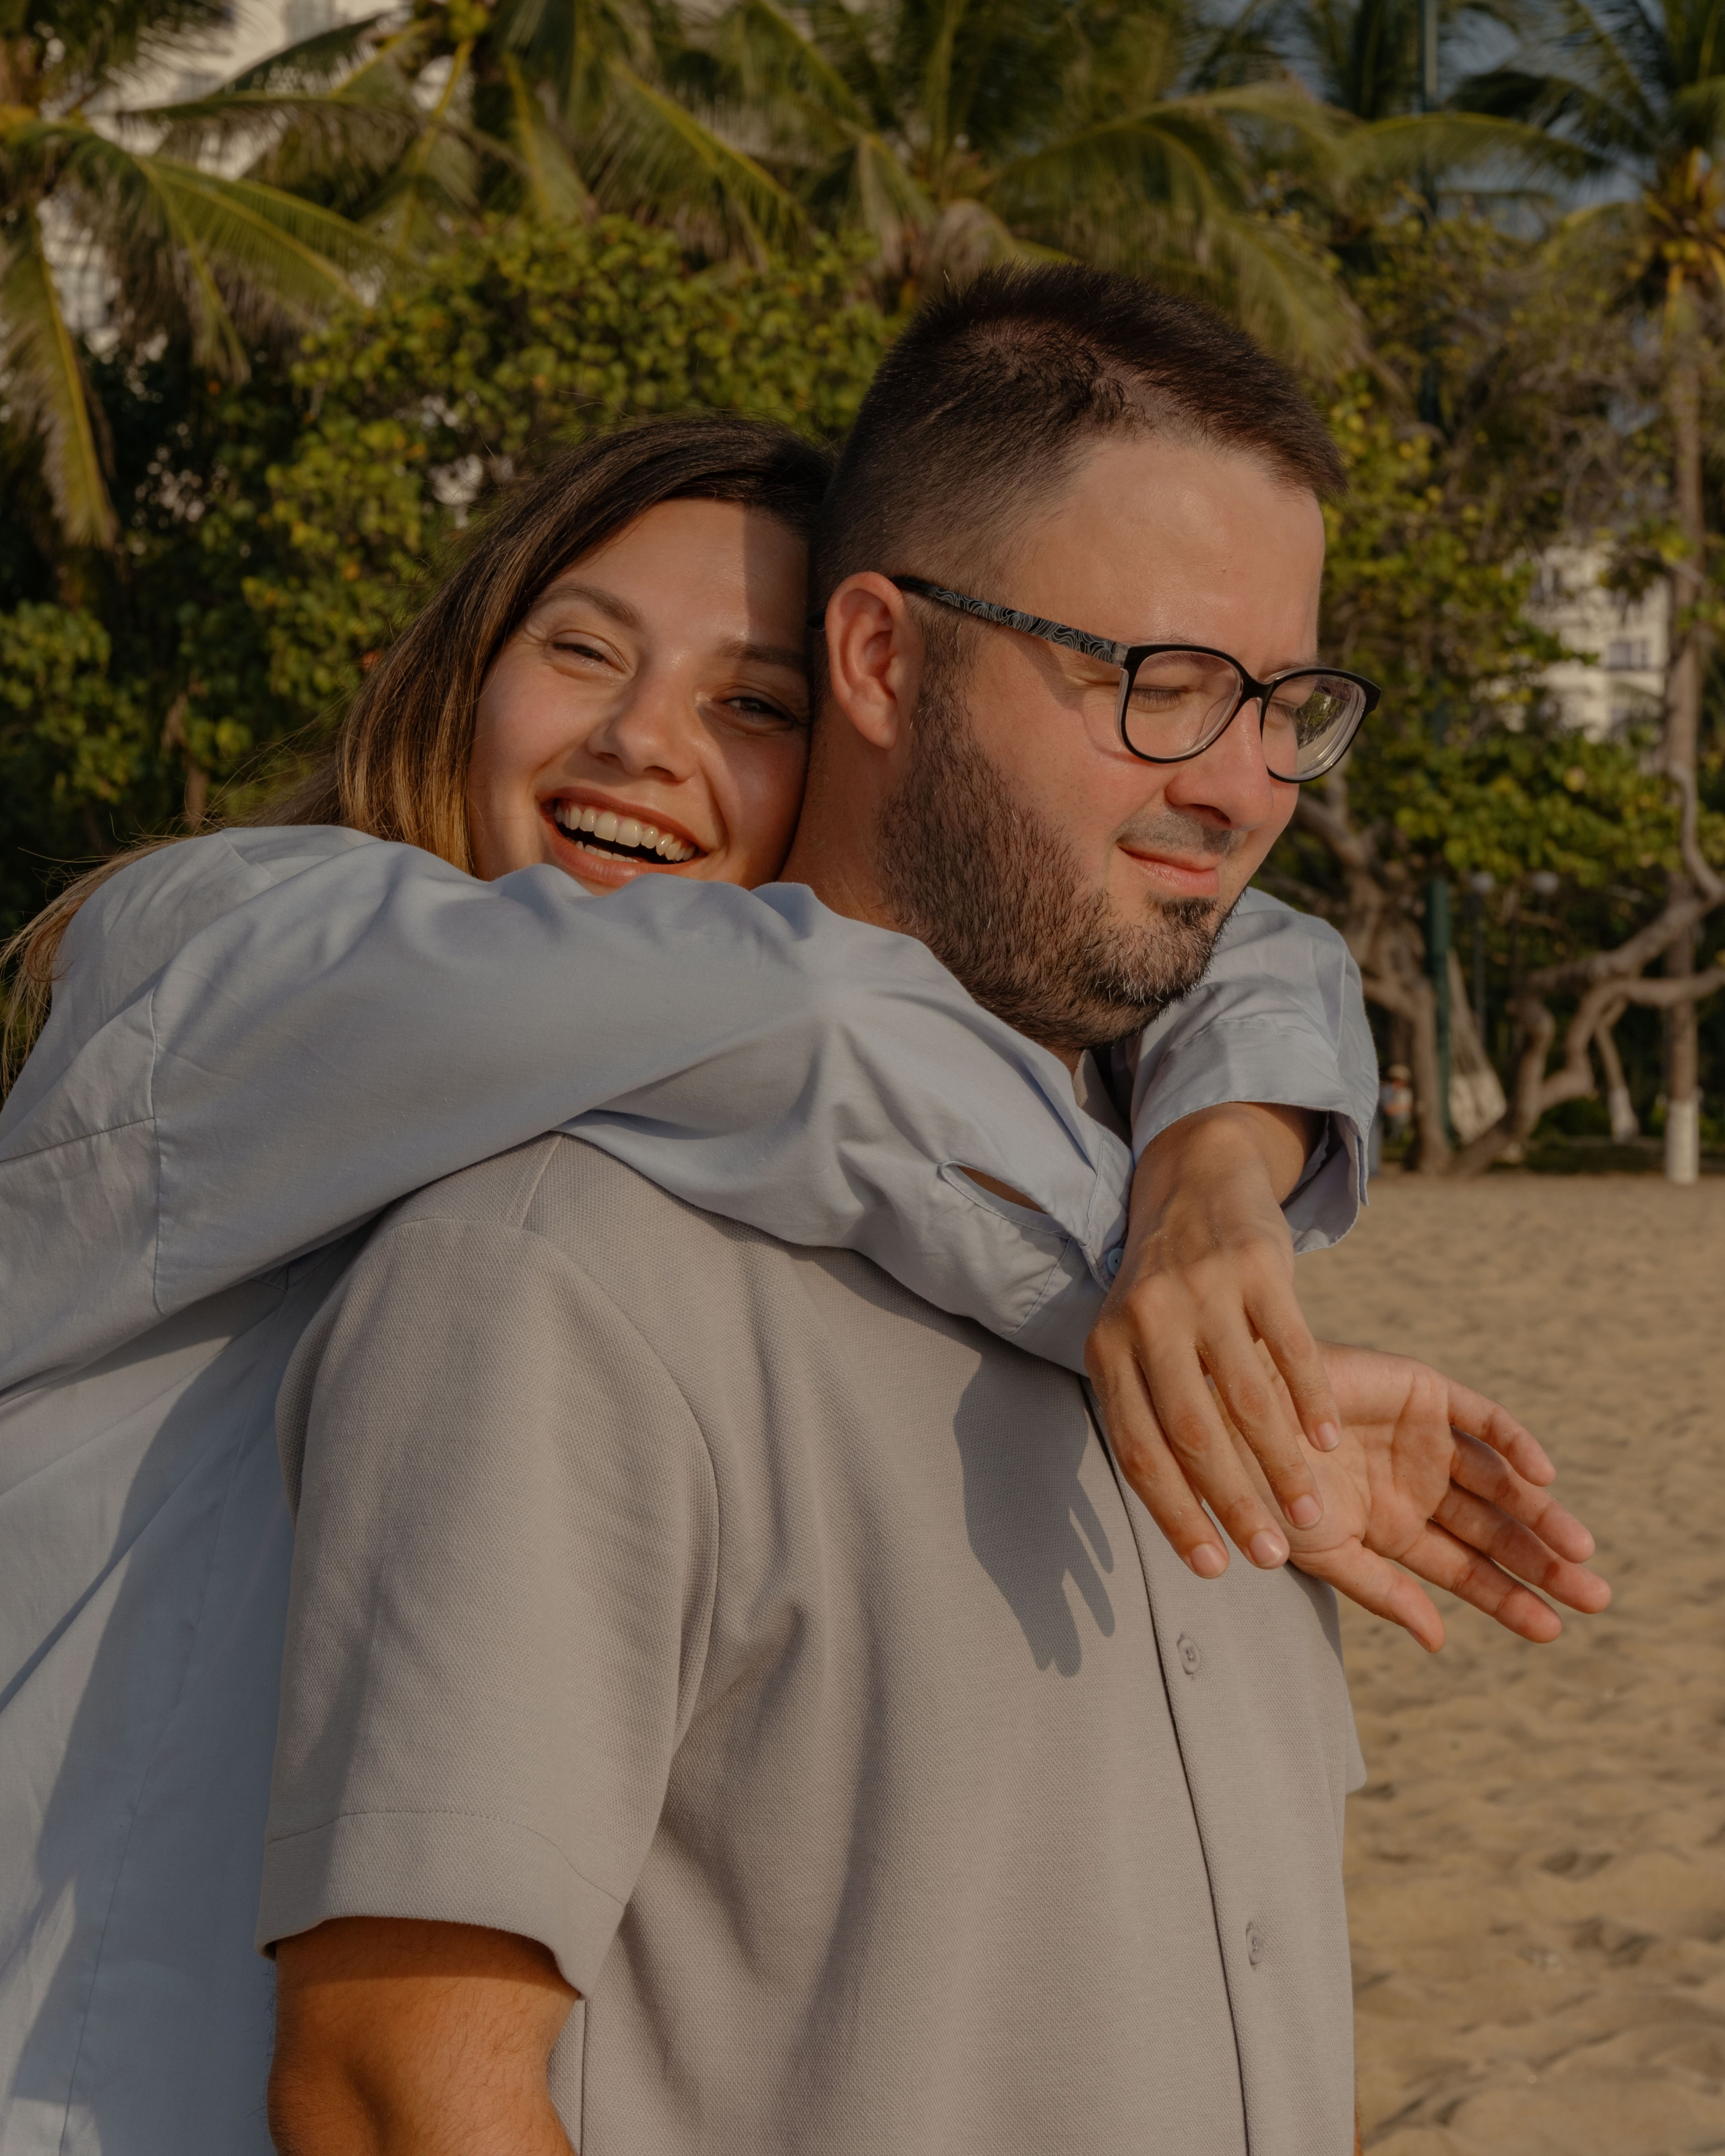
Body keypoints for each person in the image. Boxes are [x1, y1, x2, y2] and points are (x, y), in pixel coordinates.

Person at [261, 269, 1608, 2155]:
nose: (1240, 787)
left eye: (1289, 702)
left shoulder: (1153, 1259)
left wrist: (1212, 1192)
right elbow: (395, 2096)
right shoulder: (552, 1275)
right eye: (1160, 685)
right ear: (883, 663)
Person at [0, 418, 1379, 2150]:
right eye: (580, 647)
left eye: (754, 705)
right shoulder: (229, 952)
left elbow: (1229, 938)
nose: (641, 739)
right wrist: (1134, 1280)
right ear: (453, 673)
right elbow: (823, 1008)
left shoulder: (672, 1131)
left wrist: (1213, 1167)